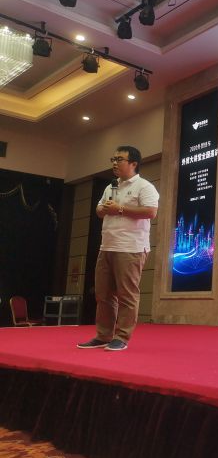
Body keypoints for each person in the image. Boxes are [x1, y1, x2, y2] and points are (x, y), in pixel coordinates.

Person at [77, 146, 159, 351]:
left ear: (133, 163)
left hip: (131, 247)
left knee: (127, 295)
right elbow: (99, 210)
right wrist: (103, 209)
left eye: (119, 159)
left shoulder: (144, 186)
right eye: (113, 159)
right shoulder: (110, 186)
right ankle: (103, 335)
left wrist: (120, 209)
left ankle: (121, 337)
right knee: (103, 295)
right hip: (107, 246)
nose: (114, 163)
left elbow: (151, 212)